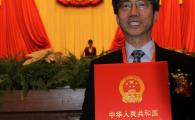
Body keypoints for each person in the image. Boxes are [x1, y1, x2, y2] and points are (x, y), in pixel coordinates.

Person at [81, 0, 195, 120]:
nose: (133, 12)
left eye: (141, 4)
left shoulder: (186, 65)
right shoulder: (100, 68)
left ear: (155, 15)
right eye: (126, 5)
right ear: (117, 18)